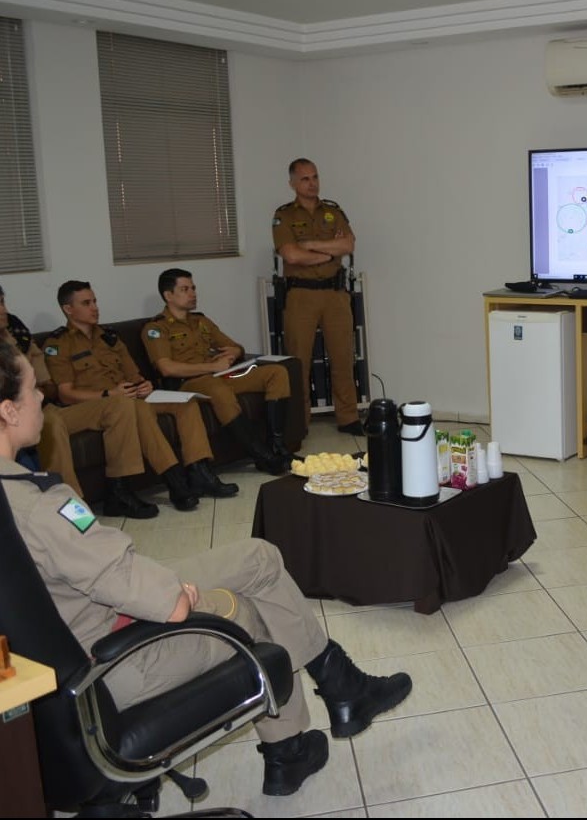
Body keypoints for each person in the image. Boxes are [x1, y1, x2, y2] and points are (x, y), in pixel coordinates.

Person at [0, 337, 412, 797]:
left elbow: (100, 570)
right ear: (8, 411)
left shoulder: (14, 495)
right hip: (108, 657)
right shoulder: (44, 507)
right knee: (244, 611)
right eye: (33, 389)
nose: (41, 397)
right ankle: (288, 750)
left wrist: (156, 584)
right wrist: (174, 593)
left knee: (259, 556)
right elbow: (169, 605)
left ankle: (340, 685)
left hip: (79, 628)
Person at [44, 281, 238, 510]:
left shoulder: (110, 337)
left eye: (95, 301)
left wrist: (143, 384)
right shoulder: (58, 344)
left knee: (185, 403)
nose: (94, 307)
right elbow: (66, 395)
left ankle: (199, 472)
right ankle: (175, 482)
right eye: (86, 303)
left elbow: (133, 373)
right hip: (98, 404)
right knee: (136, 408)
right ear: (68, 309)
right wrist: (108, 393)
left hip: (129, 396)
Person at [0, 284, 159, 519]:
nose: (3, 309)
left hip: (42, 407)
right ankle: (74, 512)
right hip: (16, 414)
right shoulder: (57, 342)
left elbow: (48, 387)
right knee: (51, 424)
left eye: (3, 302)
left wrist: (35, 394)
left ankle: (116, 494)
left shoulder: (18, 337)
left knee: (117, 405)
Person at [141, 269, 291, 476]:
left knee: (276, 372)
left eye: (193, 288)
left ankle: (277, 445)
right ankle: (262, 455)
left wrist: (236, 351)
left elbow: (232, 345)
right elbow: (167, 368)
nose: (192, 293)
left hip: (219, 377)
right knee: (216, 388)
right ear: (168, 296)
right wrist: (212, 367)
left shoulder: (201, 321)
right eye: (185, 289)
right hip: (189, 384)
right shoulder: (155, 328)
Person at [272, 158, 362, 435]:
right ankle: (300, 422)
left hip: (335, 294)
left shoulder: (333, 211)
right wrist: (328, 252)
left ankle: (348, 418)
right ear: (292, 183)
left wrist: (311, 245)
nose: (312, 183)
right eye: (305, 179)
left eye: (315, 177)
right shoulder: (284, 215)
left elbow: (348, 244)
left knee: (343, 358)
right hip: (301, 295)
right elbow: (290, 254)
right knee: (299, 361)